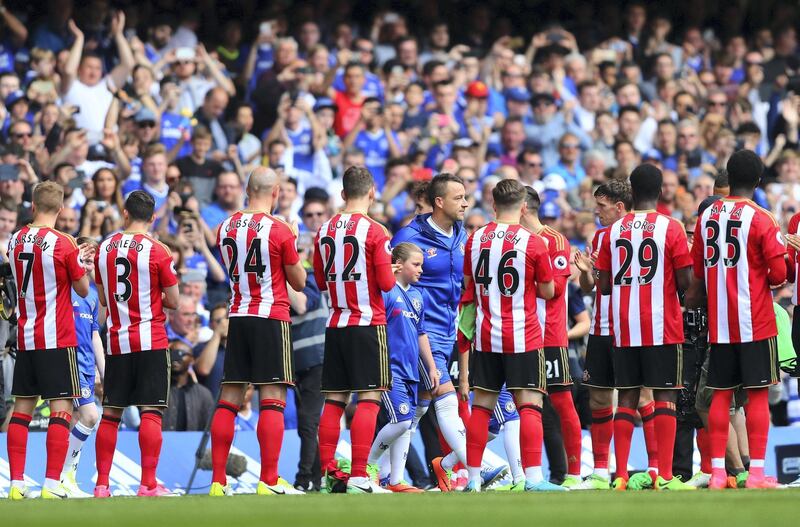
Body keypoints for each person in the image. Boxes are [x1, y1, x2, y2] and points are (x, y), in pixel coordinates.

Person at [689, 150, 786, 489]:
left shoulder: (706, 217)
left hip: (720, 323)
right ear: (759, 181)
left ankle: (718, 472)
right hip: (755, 319)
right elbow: (779, 274)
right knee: (757, 397)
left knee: (720, 396)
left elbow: (698, 272)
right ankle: (756, 473)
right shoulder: (762, 219)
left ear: (728, 177)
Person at [595, 163, 695, 491]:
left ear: (632, 193)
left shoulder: (613, 231)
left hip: (623, 326)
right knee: (665, 397)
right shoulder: (672, 228)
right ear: (662, 190)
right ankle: (665, 475)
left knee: (625, 399)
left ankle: (621, 475)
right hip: (661, 324)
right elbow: (684, 280)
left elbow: (606, 286)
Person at [208, 167, 307, 497]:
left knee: (230, 398)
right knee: (273, 397)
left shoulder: (224, 227)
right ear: (276, 193)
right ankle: (269, 479)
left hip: (237, 316)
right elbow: (299, 282)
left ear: (247, 190)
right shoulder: (279, 229)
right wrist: (293, 240)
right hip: (270, 316)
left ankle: (218, 482)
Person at [460, 178, 563, 492]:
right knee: (529, 405)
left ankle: (474, 479)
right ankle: (533, 479)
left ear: (492, 205)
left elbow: (468, 288)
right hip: (523, 335)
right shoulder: (533, 242)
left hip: (486, 335)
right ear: (522, 207)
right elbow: (548, 290)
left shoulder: (475, 240)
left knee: (482, 407)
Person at [5, 181, 94, 500]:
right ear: (60, 209)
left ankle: (16, 484)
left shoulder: (15, 240)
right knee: (61, 409)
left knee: (22, 410)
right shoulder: (64, 243)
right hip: (57, 337)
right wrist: (79, 264)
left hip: (26, 336)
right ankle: (52, 482)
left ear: (31, 206)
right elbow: (83, 290)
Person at [313, 165, 396, 494]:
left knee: (334, 402)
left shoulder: (323, 230)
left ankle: (326, 474)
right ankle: (360, 476)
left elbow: (319, 281)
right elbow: (388, 283)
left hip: (335, 323)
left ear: (343, 194)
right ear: (372, 192)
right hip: (366, 323)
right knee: (369, 399)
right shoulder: (376, 231)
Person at [92, 190, 180, 498]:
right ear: (153, 217)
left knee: (111, 414)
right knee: (151, 412)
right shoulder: (158, 250)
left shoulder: (104, 249)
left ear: (125, 214)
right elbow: (175, 301)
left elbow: (103, 299)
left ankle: (102, 484)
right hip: (150, 340)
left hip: (117, 341)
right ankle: (148, 484)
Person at [392, 173, 470, 491]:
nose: (465, 203)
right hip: (421, 332)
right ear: (439, 202)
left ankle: (379, 471)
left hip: (454, 332)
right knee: (446, 400)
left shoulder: (462, 234)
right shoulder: (410, 236)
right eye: (458, 198)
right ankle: (485, 468)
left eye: (466, 197)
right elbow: (391, 283)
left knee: (419, 410)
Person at [518, 187, 584, 488]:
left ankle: (573, 474)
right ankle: (522, 475)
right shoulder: (510, 240)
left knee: (562, 403)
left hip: (549, 335)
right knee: (516, 405)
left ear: (521, 209)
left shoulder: (554, 240)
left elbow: (556, 289)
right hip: (516, 334)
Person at [572, 180, 632, 490]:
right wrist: (584, 271)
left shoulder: (640, 232)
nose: (597, 211)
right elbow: (590, 287)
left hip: (633, 327)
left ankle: (650, 469)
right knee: (598, 397)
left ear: (619, 207)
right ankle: (599, 470)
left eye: (602, 206)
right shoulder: (598, 237)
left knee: (641, 396)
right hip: (601, 327)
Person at [367, 242, 438, 492]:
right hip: (390, 367)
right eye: (416, 264)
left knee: (405, 424)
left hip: (410, 369)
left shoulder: (418, 296)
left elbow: (421, 334)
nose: (420, 270)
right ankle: (369, 466)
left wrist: (430, 366)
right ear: (398, 265)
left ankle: (395, 480)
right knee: (402, 421)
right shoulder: (385, 292)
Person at [59, 236, 105, 498]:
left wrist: (103, 369)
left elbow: (94, 334)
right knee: (90, 416)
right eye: (83, 259)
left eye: (90, 261)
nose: (86, 265)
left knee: (78, 421)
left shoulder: (93, 296)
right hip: (69, 363)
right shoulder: (65, 287)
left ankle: (64, 478)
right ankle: (64, 477)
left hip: (87, 367)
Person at [162, 339, 215, 432]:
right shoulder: (157, 390)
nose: (176, 357)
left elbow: (209, 429)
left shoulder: (204, 395)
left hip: (192, 445)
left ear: (192, 360)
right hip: (162, 445)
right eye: (171, 353)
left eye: (181, 353)